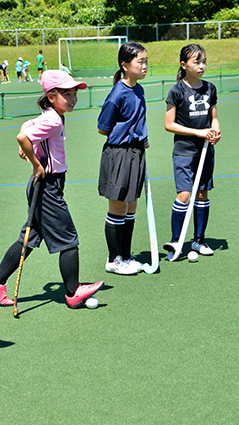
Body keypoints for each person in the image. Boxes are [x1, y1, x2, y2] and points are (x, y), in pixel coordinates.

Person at [0, 70, 104, 309]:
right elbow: (22, 136)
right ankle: (73, 291)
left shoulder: (51, 114)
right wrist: (35, 162)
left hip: (47, 185)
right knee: (68, 238)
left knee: (30, 237)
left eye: (74, 94)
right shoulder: (53, 119)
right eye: (66, 94)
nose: (72, 98)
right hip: (47, 185)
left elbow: (27, 126)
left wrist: (29, 148)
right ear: (51, 96)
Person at [163, 44, 221, 257]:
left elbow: (214, 117)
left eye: (204, 61)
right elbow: (169, 124)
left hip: (206, 151)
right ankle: (176, 241)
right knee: (184, 194)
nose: (201, 66)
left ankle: (199, 240)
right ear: (183, 64)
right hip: (184, 151)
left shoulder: (210, 88)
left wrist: (215, 130)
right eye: (196, 62)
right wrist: (198, 133)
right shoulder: (177, 91)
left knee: (202, 194)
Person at [97, 42, 149, 275]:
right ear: (125, 65)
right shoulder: (117, 93)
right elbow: (103, 128)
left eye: (146, 61)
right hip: (119, 153)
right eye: (141, 61)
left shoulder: (139, 89)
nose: (145, 65)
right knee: (118, 208)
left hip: (137, 152)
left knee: (131, 207)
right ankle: (113, 260)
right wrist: (126, 137)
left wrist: (142, 140)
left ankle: (126, 257)